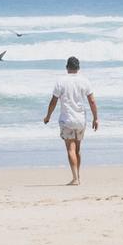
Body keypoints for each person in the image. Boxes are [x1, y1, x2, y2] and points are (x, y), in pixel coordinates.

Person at [43, 56, 99, 185]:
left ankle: (75, 178)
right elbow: (92, 101)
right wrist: (96, 118)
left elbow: (53, 101)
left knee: (70, 149)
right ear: (78, 68)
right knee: (77, 149)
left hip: (67, 119)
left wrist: (48, 116)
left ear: (67, 67)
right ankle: (77, 176)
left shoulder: (61, 81)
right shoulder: (84, 81)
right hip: (80, 120)